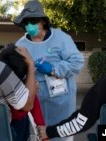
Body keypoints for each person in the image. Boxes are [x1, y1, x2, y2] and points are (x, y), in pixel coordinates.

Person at [14, 1, 85, 141]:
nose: (30, 25)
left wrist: (53, 69)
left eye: (33, 21)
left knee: (63, 135)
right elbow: (16, 73)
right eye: (26, 22)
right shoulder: (20, 45)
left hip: (62, 102)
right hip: (36, 103)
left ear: (43, 21)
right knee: (41, 135)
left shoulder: (60, 38)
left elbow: (77, 62)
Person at [0, 43, 45, 141]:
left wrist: (41, 125)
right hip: (7, 123)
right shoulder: (0, 84)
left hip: (20, 122)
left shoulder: (23, 83)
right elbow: (31, 104)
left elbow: (34, 103)